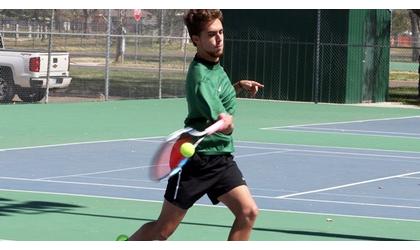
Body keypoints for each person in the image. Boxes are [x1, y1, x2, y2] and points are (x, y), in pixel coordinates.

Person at [129, 9, 264, 241]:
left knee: (248, 212)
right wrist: (227, 123)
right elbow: (218, 117)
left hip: (221, 159)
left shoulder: (214, 67)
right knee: (163, 230)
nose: (219, 38)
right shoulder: (200, 76)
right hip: (196, 162)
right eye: (211, 34)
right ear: (196, 40)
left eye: (221, 32)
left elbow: (217, 95)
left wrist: (238, 86)